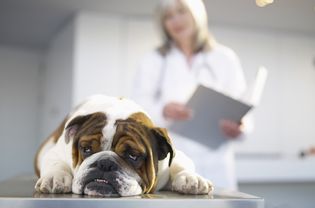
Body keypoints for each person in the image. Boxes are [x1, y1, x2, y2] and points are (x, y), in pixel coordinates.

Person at [132, 0, 251, 190]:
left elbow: (243, 109)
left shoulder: (224, 58)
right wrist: (163, 110)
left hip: (217, 162)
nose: (176, 20)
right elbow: (138, 108)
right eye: (168, 17)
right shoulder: (154, 60)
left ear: (196, 14)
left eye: (181, 12)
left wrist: (240, 128)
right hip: (173, 161)